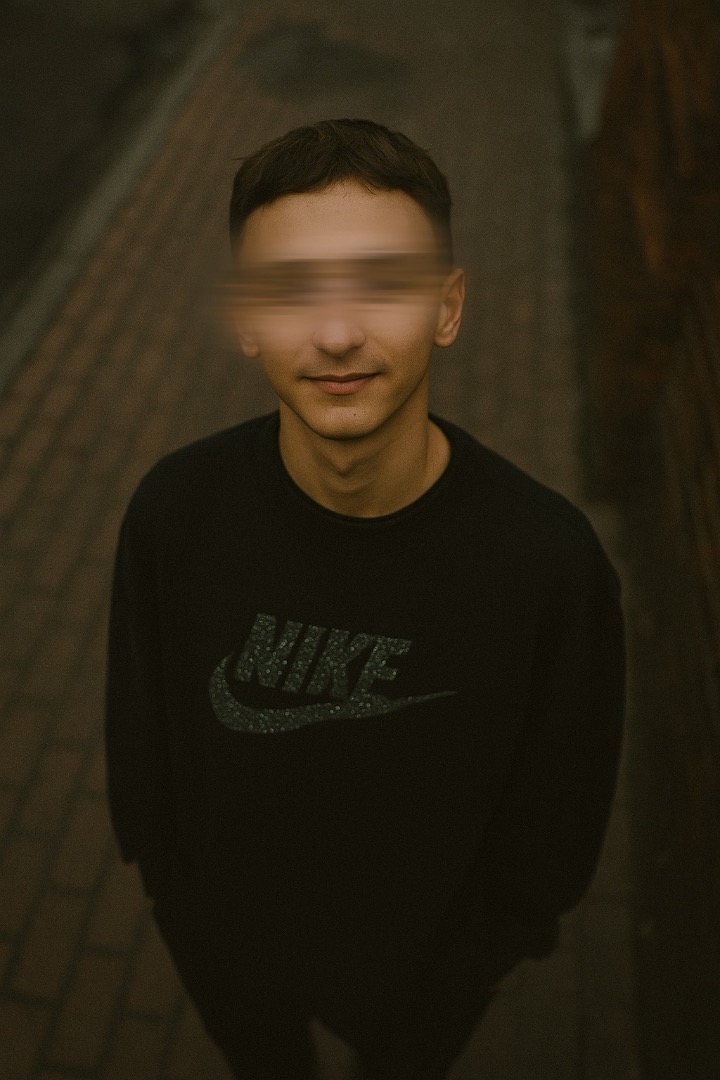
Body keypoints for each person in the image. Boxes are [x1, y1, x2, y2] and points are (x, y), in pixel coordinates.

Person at [104, 117, 626, 1080]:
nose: (338, 333)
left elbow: (560, 810)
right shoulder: (177, 513)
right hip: (226, 947)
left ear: (447, 307)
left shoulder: (547, 563)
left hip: (430, 975)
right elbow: (141, 728)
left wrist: (488, 947)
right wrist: (174, 888)